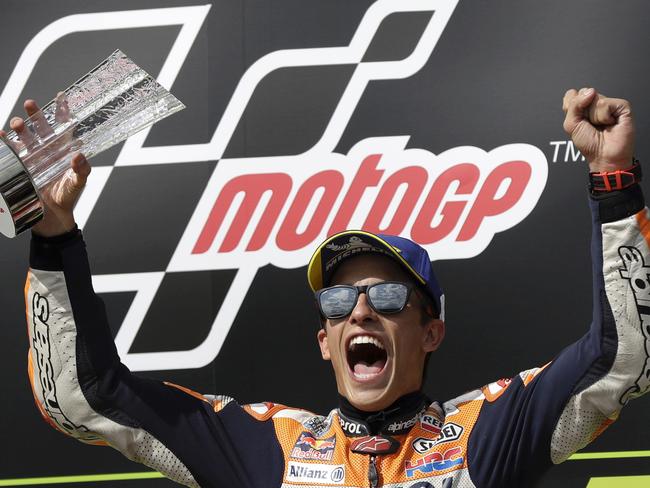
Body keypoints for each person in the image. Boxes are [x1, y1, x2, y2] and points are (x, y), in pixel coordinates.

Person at [10, 87, 649, 488]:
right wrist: (55, 237)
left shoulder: (485, 431)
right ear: (324, 340)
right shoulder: (265, 448)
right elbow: (84, 398)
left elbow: (624, 359)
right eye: (341, 302)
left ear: (431, 333)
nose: (362, 311)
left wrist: (612, 178)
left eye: (389, 297)